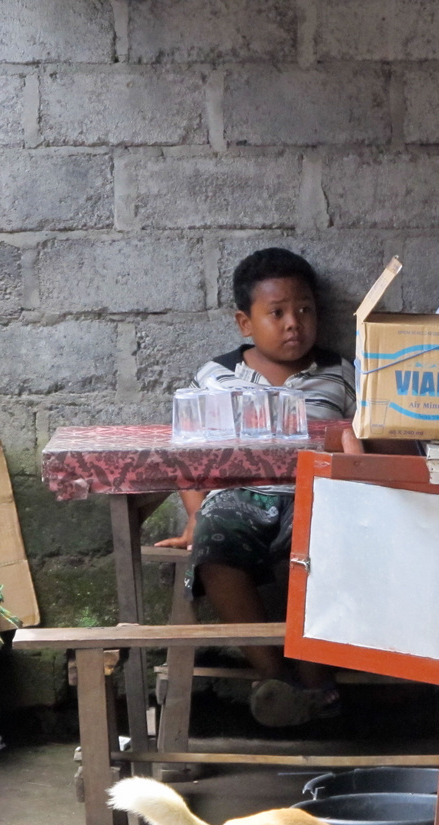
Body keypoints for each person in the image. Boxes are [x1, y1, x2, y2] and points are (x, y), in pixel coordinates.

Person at [155, 248, 357, 729]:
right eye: (278, 313)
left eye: (304, 310)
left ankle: (314, 680)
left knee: (310, 552)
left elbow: (360, 440)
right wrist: (194, 515)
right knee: (216, 544)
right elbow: (190, 458)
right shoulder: (215, 377)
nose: (294, 324)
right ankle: (274, 680)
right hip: (235, 498)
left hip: (313, 498)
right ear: (245, 323)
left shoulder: (341, 374)